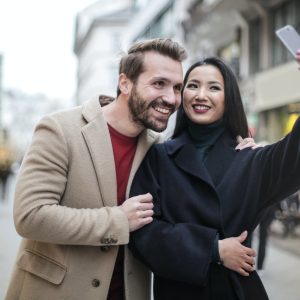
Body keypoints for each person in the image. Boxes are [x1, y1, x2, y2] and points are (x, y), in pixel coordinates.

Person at [5, 38, 187, 300]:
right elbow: (30, 216)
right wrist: (118, 220)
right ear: (125, 83)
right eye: (159, 83)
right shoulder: (60, 129)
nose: (171, 98)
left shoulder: (157, 148)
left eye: (177, 87)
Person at [129, 53, 300, 299]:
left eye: (214, 87)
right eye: (193, 85)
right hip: (178, 291)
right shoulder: (158, 157)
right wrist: (212, 250)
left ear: (228, 99)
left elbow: (295, 153)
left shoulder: (250, 159)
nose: (201, 95)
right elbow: (143, 234)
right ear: (182, 96)